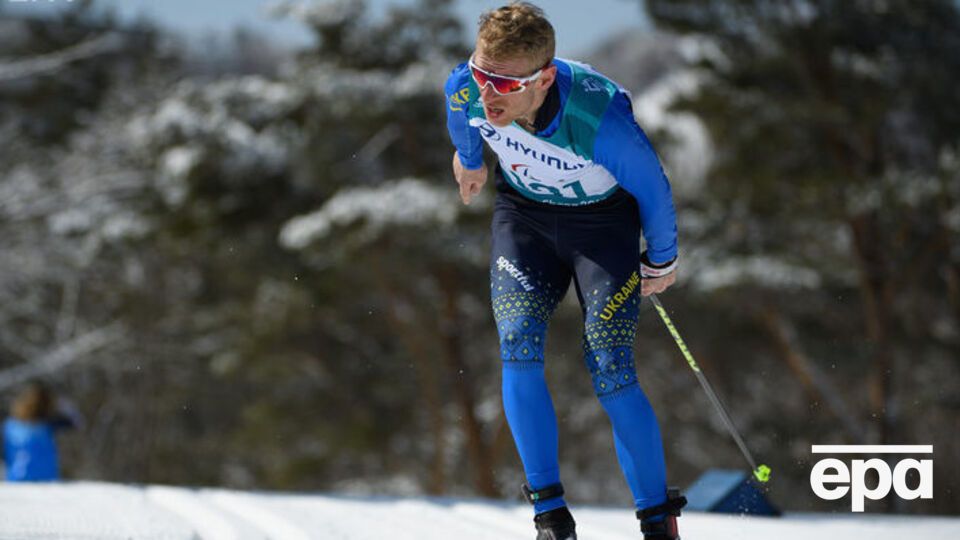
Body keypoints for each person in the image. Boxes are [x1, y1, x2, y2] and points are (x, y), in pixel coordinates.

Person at [444, 3, 686, 539]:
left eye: (504, 85)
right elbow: (459, 111)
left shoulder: (599, 120)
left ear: (544, 79)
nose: (487, 94)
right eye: (482, 74)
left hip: (601, 229)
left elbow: (653, 188)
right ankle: (550, 517)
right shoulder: (467, 86)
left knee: (610, 364)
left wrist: (662, 258)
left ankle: (656, 519)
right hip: (524, 221)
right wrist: (471, 158)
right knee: (518, 342)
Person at [2, 381, 78, 482]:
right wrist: (63, 404)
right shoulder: (46, 425)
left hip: (18, 478)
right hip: (46, 477)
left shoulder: (10, 426)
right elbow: (75, 422)